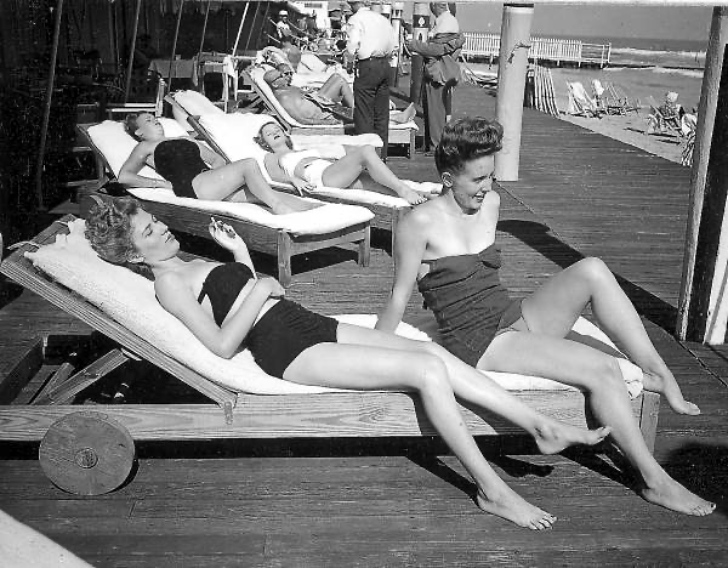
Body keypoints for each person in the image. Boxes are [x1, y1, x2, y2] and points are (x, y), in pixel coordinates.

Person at [85, 195, 613, 530]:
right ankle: (492, 491)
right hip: (286, 350)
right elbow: (222, 346)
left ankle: (538, 424)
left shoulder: (184, 262)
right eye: (149, 231)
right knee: (426, 371)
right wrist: (262, 284)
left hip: (302, 320)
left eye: (155, 219)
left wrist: (242, 259)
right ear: (131, 254)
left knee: (431, 351)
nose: (162, 228)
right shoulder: (169, 284)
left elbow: (238, 294)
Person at [376, 117, 715, 517]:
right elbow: (398, 298)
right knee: (603, 368)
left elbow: (485, 280)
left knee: (592, 270)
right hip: (478, 341)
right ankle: (656, 482)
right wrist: (375, 351)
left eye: (492, 177)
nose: (487, 188)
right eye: (477, 179)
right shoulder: (418, 224)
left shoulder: (492, 204)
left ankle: (659, 373)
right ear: (448, 178)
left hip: (508, 314)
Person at [118, 113, 312, 215]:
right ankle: (279, 209)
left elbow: (217, 160)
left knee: (266, 194)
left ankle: (317, 214)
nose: (156, 122)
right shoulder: (146, 146)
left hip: (208, 183)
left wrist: (221, 180)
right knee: (248, 164)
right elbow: (124, 176)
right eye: (149, 121)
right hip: (192, 185)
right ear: (139, 132)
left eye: (156, 118)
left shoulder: (186, 139)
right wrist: (159, 184)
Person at [254, 120, 430, 205]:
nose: (275, 132)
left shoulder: (299, 149)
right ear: (264, 142)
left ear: (286, 134)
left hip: (331, 171)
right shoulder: (271, 157)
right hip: (321, 178)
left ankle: (425, 198)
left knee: (378, 186)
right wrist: (293, 180)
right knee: (366, 150)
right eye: (269, 133)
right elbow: (273, 176)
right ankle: (404, 190)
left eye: (277, 129)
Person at [263, 67, 415, 127]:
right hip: (321, 112)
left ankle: (362, 110)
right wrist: (326, 123)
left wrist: (308, 91)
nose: (288, 77)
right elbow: (300, 120)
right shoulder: (284, 98)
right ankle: (395, 119)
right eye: (283, 76)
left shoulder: (285, 90)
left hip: (319, 102)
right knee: (341, 82)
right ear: (275, 83)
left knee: (337, 78)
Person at [406, 2, 464, 152]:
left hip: (439, 74)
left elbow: (436, 49)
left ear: (439, 6)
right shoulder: (447, 22)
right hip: (438, 72)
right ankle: (432, 144)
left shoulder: (446, 24)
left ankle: (436, 146)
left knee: (435, 112)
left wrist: (415, 46)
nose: (430, 7)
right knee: (433, 111)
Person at [346, 0, 397, 160]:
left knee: (364, 111)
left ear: (353, 5)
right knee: (381, 113)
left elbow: (353, 43)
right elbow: (393, 43)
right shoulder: (382, 19)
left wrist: (348, 61)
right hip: (385, 64)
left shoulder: (355, 19)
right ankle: (381, 155)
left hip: (368, 64)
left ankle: (367, 155)